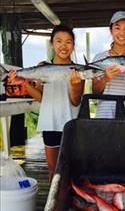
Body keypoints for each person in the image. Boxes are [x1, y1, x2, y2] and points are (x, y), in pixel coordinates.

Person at [8, 25, 85, 181]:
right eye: (59, 41)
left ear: (73, 45)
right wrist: (24, 83)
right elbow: (41, 98)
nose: (63, 46)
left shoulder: (78, 70)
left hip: (70, 124)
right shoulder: (42, 67)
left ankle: (69, 202)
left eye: (68, 42)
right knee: (52, 171)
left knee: (71, 170)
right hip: (50, 123)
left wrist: (76, 85)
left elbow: (75, 101)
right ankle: (55, 203)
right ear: (52, 44)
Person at [92, 11, 125, 119]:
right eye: (117, 28)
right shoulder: (99, 58)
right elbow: (95, 92)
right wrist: (105, 79)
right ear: (110, 30)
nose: (121, 33)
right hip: (104, 114)